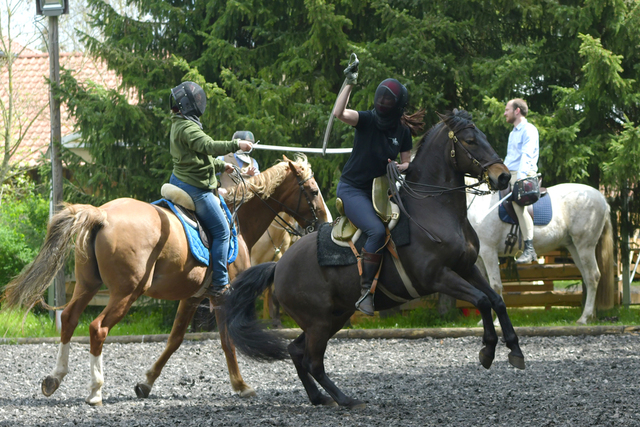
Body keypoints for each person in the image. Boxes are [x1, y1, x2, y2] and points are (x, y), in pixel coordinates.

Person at [334, 71, 424, 316]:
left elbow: (407, 163)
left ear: (397, 106)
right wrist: (350, 82)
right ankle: (366, 292)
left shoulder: (403, 131)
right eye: (381, 99)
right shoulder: (366, 120)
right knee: (376, 230)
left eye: (388, 101)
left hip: (383, 190)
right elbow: (339, 113)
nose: (383, 103)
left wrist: (401, 166)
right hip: (353, 190)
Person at [168, 81, 253, 296]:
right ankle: (220, 283)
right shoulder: (188, 128)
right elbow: (208, 146)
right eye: (195, 100)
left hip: (180, 177)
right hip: (195, 187)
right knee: (222, 231)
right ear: (189, 105)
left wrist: (221, 165)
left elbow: (197, 158)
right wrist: (237, 145)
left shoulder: (179, 125)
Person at [503, 98, 540, 264]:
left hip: (524, 172)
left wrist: (520, 178)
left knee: (518, 204)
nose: (505, 113)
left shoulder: (529, 130)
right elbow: (510, 158)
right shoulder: (513, 133)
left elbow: (526, 155)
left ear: (517, 111)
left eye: (507, 110)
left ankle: (529, 248)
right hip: (511, 171)